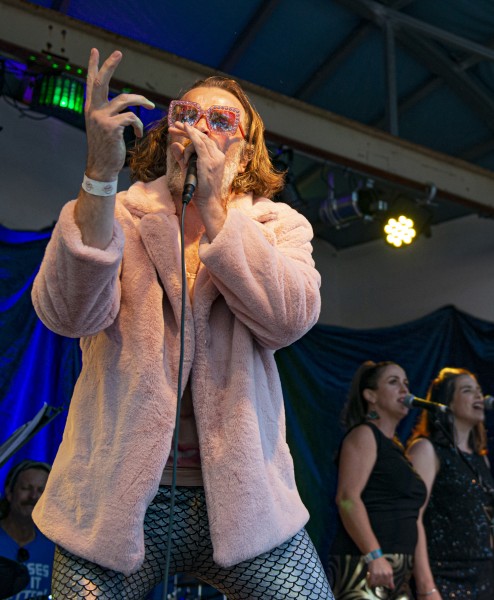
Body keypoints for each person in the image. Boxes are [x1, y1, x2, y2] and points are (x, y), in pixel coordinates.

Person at [30, 48, 332, 599]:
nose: (199, 128)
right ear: (166, 134)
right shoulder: (120, 215)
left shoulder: (276, 226)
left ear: (246, 150)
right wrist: (98, 175)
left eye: (221, 119)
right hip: (116, 498)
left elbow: (288, 320)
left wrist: (216, 209)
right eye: (185, 114)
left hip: (244, 501)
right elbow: (67, 314)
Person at [326, 361, 427, 600]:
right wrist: (374, 555)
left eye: (406, 383)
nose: (405, 389)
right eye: (393, 382)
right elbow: (347, 498)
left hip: (397, 568)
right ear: (370, 395)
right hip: (366, 564)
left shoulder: (396, 449)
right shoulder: (364, 434)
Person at [406, 367, 494, 600]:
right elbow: (412, 517)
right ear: (447, 402)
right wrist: (426, 585)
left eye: (479, 390)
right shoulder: (427, 449)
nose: (479, 396)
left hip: (484, 576)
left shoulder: (480, 458)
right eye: (467, 390)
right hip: (444, 575)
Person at [0, 460, 54, 599]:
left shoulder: (55, 549)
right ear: (9, 492)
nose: (33, 496)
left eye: (41, 491)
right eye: (26, 488)